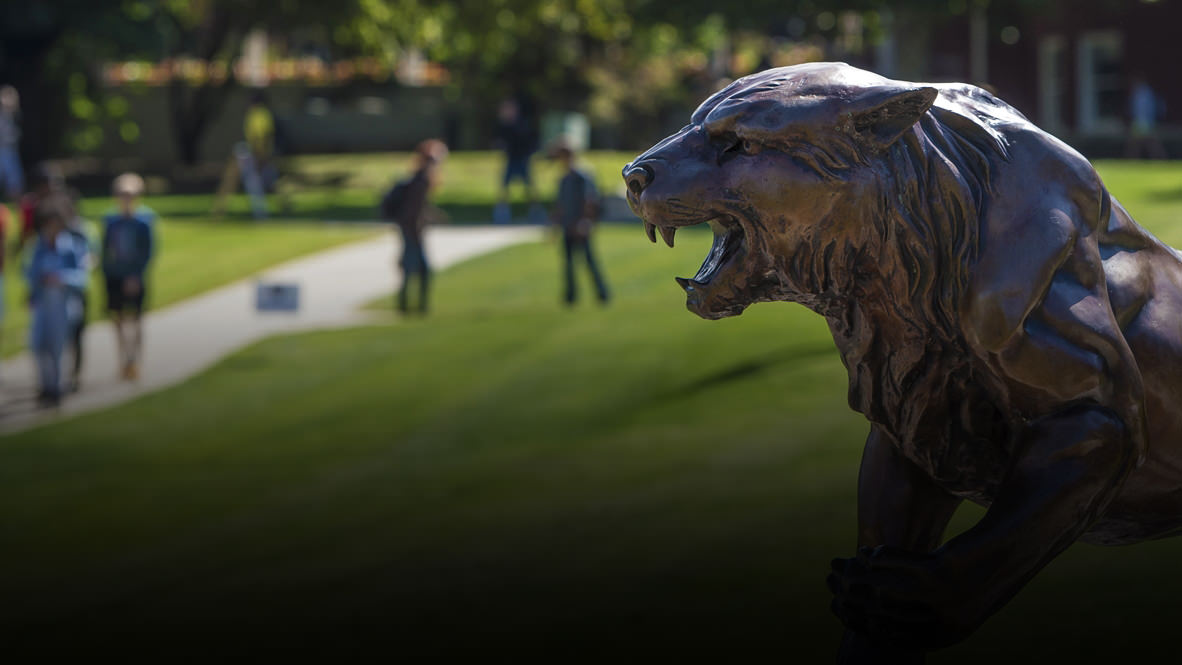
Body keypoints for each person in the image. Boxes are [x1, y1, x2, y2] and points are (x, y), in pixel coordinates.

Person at [25, 195, 88, 407]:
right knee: (38, 345)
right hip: (43, 303)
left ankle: (57, 388)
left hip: (63, 304)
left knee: (57, 348)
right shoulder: (38, 248)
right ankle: (45, 385)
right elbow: (29, 274)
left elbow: (82, 277)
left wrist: (61, 278)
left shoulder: (71, 247)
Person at [102, 173, 155, 380]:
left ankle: (135, 361)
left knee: (137, 319)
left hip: (134, 276)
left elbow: (147, 252)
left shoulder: (144, 221)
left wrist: (135, 275)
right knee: (118, 319)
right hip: (115, 275)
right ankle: (123, 360)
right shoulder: (111, 220)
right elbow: (106, 249)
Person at [390, 139, 448, 315]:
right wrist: (415, 231)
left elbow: (421, 206)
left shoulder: (419, 178)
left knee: (413, 268)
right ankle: (413, 307)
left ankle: (409, 306)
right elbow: (413, 210)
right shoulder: (421, 181)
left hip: (411, 228)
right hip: (412, 229)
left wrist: (435, 216)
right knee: (417, 269)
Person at [550, 141, 609, 305]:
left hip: (580, 226)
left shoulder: (582, 175)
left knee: (590, 262)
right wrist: (555, 226)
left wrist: (586, 221)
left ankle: (602, 294)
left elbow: (590, 200)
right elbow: (560, 205)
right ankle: (570, 296)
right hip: (567, 226)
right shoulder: (563, 178)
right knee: (568, 264)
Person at [63, 189, 96, 392]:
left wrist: (78, 270)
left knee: (77, 334)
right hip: (60, 291)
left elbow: (92, 256)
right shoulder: (56, 228)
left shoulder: (82, 229)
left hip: (77, 288)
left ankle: (76, 373)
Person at [493, 96, 543, 224]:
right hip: (511, 159)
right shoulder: (503, 125)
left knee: (529, 188)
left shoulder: (522, 124)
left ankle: (535, 211)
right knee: (504, 187)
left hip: (523, 159)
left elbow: (531, 141)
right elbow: (501, 142)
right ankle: (502, 212)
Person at [14, 162, 64, 255]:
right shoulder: (29, 205)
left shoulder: (60, 202)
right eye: (50, 184)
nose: (54, 187)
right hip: (38, 244)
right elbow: (26, 234)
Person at [1126, 74, 1167, 159]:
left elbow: (1142, 109)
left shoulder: (1143, 93)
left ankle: (1160, 158)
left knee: (1148, 144)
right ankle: (1133, 160)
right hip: (1142, 122)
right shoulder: (1143, 92)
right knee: (1138, 144)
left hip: (1144, 122)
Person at [0, 85, 22, 200]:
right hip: (2, 150)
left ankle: (15, 202)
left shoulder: (15, 115)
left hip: (11, 150)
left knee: (14, 180)